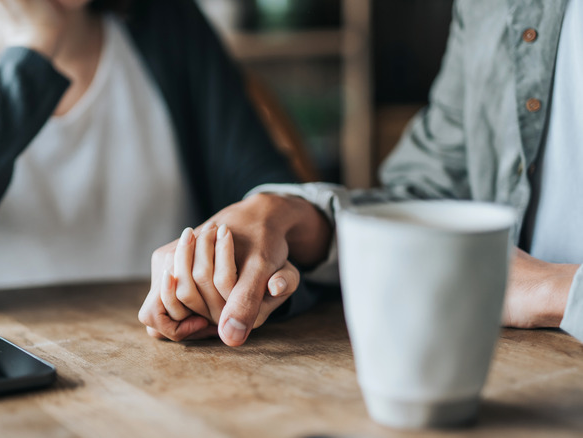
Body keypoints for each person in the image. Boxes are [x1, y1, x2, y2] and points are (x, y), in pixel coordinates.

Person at [140, 0, 583, 346]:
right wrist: (304, 225)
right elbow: (427, 198)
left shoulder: (167, 26)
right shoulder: (490, 8)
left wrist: (557, 290)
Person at [0, 0, 301, 295]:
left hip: (178, 358)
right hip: (3, 382)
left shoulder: (169, 27)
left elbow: (276, 199)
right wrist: (31, 53)